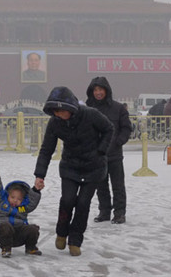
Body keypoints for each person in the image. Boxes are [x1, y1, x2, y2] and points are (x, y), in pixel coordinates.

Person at [33, 86, 113, 256]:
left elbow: (109, 129)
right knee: (68, 200)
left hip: (94, 167)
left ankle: (75, 240)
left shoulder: (90, 114)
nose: (58, 114)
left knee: (83, 204)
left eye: (60, 110)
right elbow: (47, 149)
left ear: (70, 107)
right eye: (54, 111)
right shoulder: (55, 122)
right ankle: (62, 231)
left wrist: (101, 151)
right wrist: (40, 175)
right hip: (70, 166)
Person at [86, 77, 132, 224]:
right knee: (101, 186)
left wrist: (118, 142)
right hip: (96, 154)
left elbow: (126, 128)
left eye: (101, 90)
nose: (98, 93)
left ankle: (119, 213)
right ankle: (104, 211)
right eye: (95, 90)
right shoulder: (88, 109)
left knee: (117, 185)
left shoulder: (118, 109)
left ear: (106, 90)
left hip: (114, 154)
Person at [0, 174, 44, 258]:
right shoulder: (1, 203)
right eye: (13, 197)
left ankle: (31, 248)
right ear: (7, 195)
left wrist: (36, 190)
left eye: (19, 199)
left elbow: (32, 202)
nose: (15, 200)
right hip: (2, 233)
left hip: (18, 235)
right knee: (5, 226)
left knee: (33, 229)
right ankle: (6, 248)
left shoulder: (23, 208)